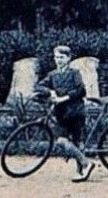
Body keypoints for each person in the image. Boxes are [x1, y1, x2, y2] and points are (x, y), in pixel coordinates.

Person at [37, 44, 95, 181]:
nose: (58, 60)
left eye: (62, 57)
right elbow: (38, 85)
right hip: (61, 113)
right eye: (56, 57)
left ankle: (83, 168)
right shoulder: (52, 75)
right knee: (62, 141)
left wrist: (63, 98)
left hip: (75, 111)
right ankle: (86, 164)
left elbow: (81, 90)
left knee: (76, 141)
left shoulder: (74, 73)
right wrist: (50, 91)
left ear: (69, 58)